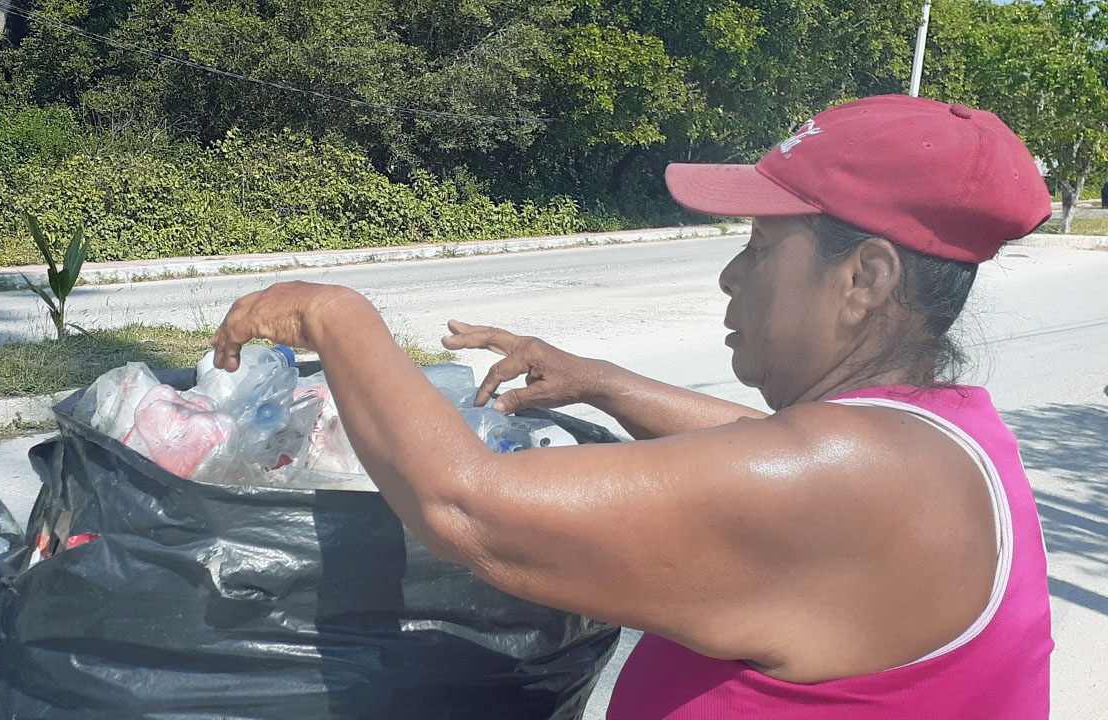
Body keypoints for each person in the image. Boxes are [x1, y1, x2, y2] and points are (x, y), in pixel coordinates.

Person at [210, 95, 1053, 718]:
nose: (732, 276)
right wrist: (604, 383)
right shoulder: (941, 438)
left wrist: (337, 315)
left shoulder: (854, 479)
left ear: (865, 279)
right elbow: (766, 446)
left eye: (759, 249)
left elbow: (466, 506)